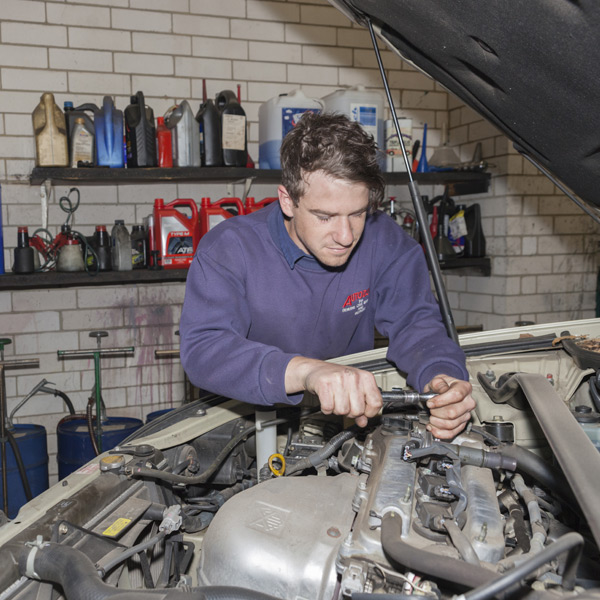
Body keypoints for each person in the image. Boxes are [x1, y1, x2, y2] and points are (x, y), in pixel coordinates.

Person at [180, 112, 474, 439]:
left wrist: (441, 375)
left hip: (345, 424)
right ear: (287, 201)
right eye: (325, 217)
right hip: (242, 426)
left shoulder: (385, 241)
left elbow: (416, 323)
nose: (346, 236)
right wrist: (307, 372)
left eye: (358, 213)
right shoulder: (229, 248)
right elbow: (205, 349)